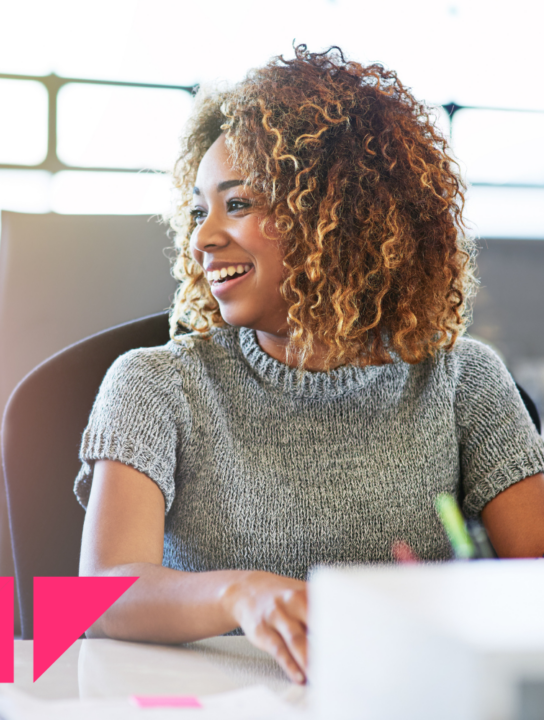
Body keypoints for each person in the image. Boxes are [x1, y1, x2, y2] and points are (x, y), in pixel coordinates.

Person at [73, 46, 544, 684]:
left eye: (237, 204)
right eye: (197, 211)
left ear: (336, 213)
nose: (202, 237)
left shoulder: (465, 383)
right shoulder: (156, 385)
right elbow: (102, 592)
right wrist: (239, 593)